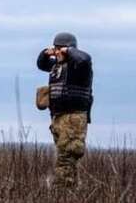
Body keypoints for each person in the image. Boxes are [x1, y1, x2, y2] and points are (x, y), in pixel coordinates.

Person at [37, 32, 93, 189]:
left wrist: (68, 51)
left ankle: (62, 192)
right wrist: (45, 52)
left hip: (73, 118)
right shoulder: (57, 67)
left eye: (60, 49)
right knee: (64, 157)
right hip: (58, 118)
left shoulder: (79, 68)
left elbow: (84, 58)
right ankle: (71, 191)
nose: (57, 53)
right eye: (56, 49)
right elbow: (41, 64)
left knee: (66, 157)